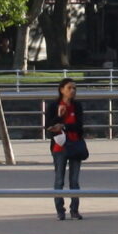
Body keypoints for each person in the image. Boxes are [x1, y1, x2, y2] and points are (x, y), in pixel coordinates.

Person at [43, 78, 88, 221]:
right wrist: (59, 117)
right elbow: (48, 126)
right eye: (69, 88)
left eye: (74, 88)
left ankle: (74, 210)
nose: (72, 91)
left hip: (75, 145)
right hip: (59, 147)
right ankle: (60, 211)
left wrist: (64, 126)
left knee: (74, 181)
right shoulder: (53, 106)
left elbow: (80, 126)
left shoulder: (77, 106)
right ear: (62, 90)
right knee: (59, 180)